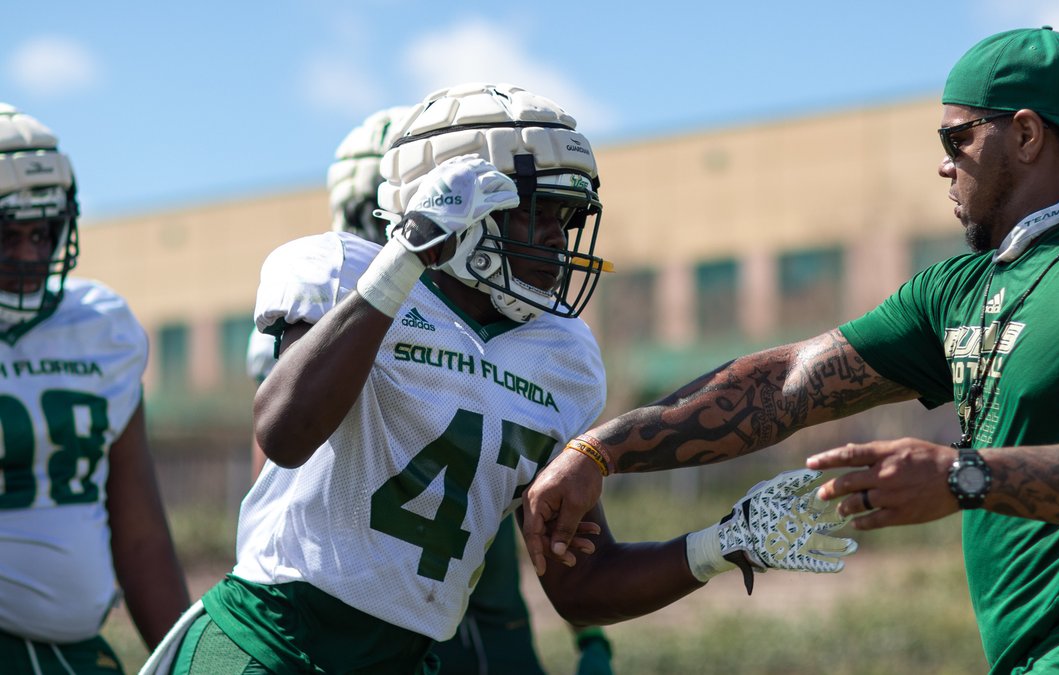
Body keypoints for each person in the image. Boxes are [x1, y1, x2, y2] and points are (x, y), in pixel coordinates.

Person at [522, 27, 1059, 674]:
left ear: (1025, 134)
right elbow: (784, 384)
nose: (944, 164)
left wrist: (963, 476)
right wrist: (601, 450)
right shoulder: (959, 290)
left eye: (957, 137)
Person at [148, 83, 857, 674]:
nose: (557, 236)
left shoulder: (562, 355)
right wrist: (406, 258)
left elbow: (579, 580)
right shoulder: (341, 272)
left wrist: (724, 542)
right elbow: (284, 433)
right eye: (537, 211)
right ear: (458, 204)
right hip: (269, 643)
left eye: (567, 216)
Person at [243, 105, 616, 675]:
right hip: (326, 607)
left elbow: (562, 531)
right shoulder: (330, 286)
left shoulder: (545, 346)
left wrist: (591, 636)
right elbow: (276, 466)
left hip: (466, 598)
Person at [0, 104, 190, 673]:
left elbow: (141, 536)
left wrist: (184, 662)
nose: (30, 256)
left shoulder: (101, 328)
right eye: (8, 235)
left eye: (42, 233)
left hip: (78, 654)